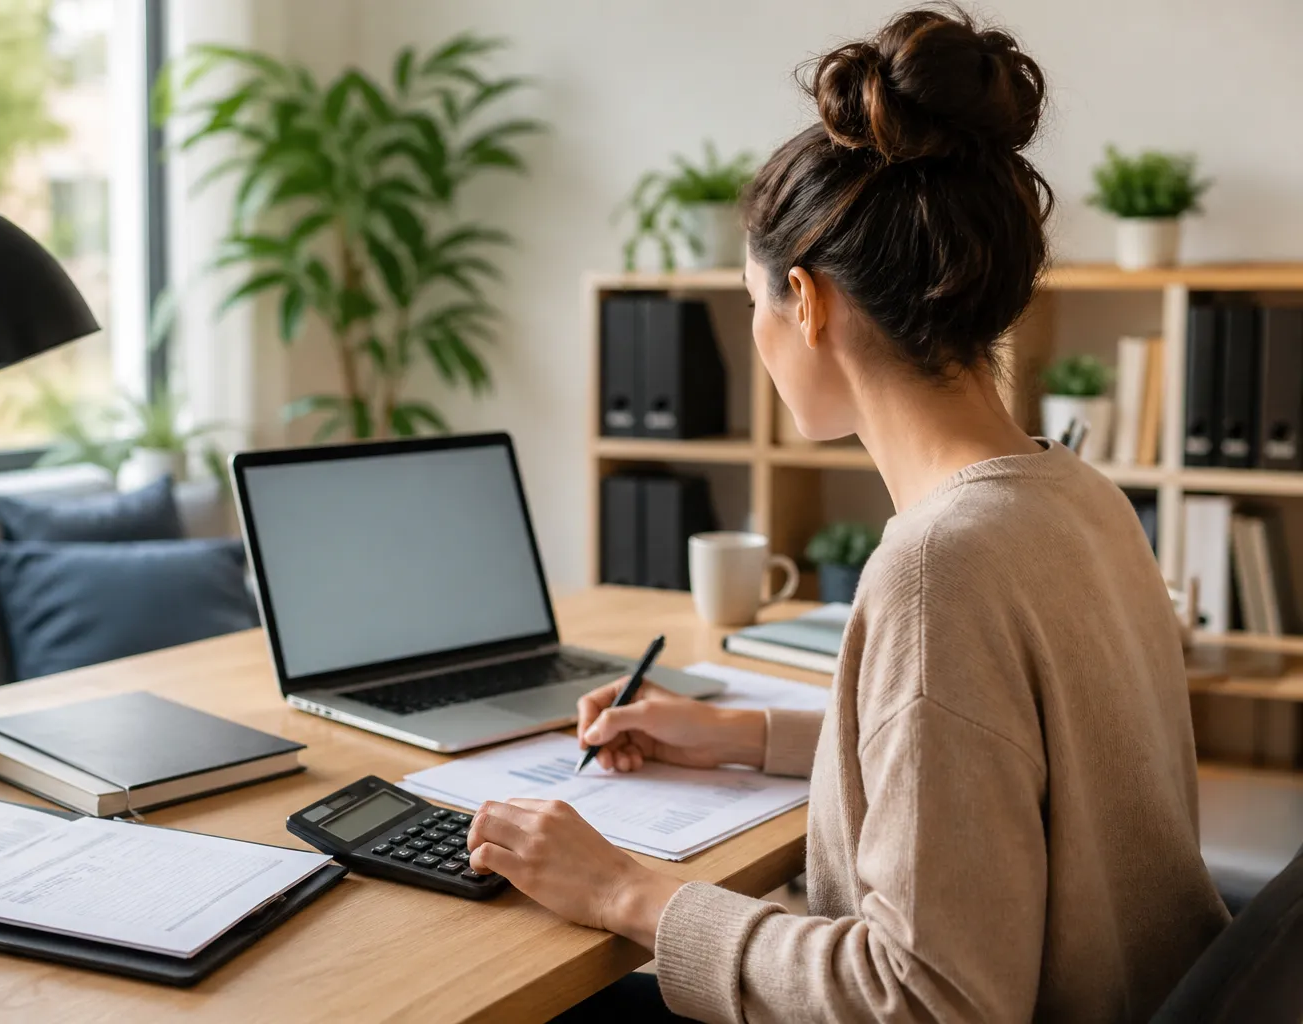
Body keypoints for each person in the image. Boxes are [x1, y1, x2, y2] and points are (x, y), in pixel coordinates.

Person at [464, 5, 1230, 1021]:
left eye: (755, 302)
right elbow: (976, 761)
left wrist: (623, 890)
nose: (757, 334)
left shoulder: (939, 567)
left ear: (807, 301)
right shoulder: (1072, 494)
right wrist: (734, 732)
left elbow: (929, 1000)